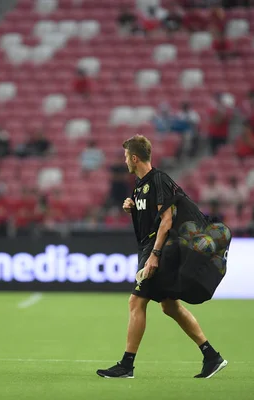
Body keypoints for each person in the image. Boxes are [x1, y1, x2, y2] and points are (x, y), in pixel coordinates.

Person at [96, 135, 227, 379]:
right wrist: (132, 208)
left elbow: (166, 220)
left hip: (161, 250)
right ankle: (212, 356)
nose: (125, 161)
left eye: (126, 156)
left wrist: (154, 256)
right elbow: (151, 218)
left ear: (134, 158)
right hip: (152, 248)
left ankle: (127, 365)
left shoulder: (159, 180)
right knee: (169, 306)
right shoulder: (140, 186)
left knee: (136, 302)